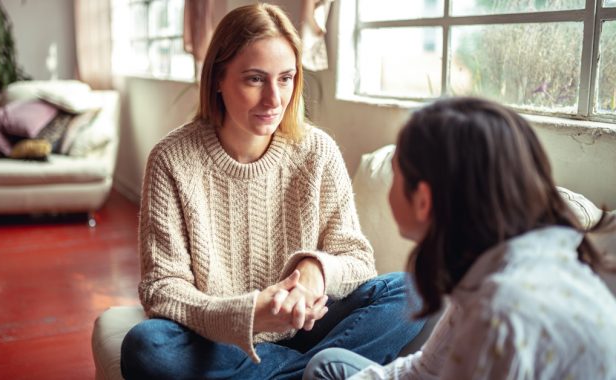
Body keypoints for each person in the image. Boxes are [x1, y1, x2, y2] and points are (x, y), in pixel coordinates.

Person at [119, 3, 425, 379]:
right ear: (217, 78)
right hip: (221, 340)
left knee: (412, 289)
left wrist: (315, 270)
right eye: (254, 79)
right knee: (146, 347)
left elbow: (357, 258)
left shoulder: (317, 150)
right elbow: (162, 289)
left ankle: (294, 370)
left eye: (286, 78)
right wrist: (250, 314)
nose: (274, 99)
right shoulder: (172, 160)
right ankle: (313, 373)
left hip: (310, 331)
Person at [303, 97, 616, 380]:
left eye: (396, 170)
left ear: (423, 199)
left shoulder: (499, 312)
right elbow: (426, 368)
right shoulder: (494, 264)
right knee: (327, 364)